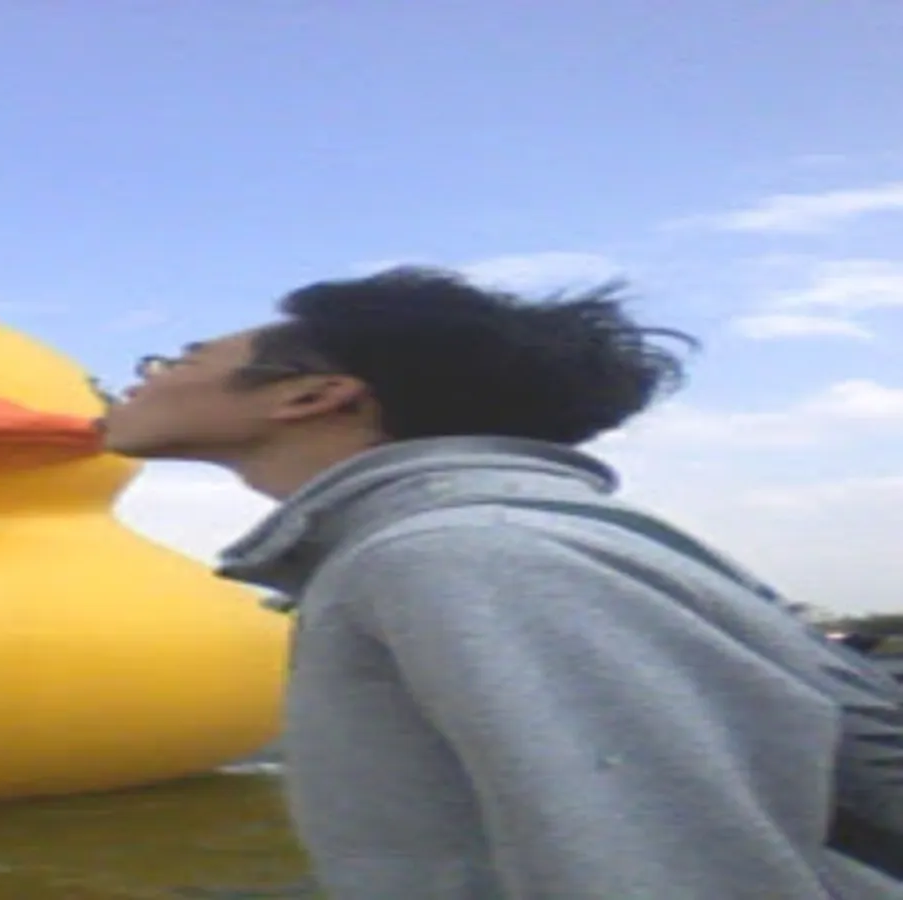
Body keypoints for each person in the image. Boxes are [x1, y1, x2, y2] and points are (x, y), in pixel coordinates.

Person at [96, 266, 903, 899]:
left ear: (312, 394)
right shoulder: (486, 536)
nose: (143, 379)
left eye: (177, 359)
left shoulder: (461, 556)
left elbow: (650, 859)